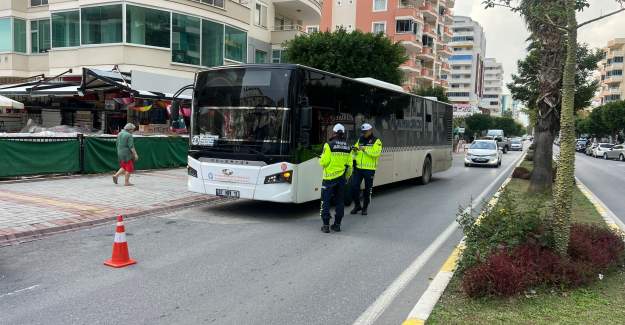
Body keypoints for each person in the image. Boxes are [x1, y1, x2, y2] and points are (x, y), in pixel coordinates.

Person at [319, 123, 352, 233]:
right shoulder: (348, 146)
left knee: (326, 201)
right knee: (340, 202)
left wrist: (320, 159)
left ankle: (326, 226)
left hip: (328, 179)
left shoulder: (328, 145)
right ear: (343, 133)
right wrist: (346, 177)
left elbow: (324, 162)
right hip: (341, 179)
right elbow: (350, 166)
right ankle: (337, 225)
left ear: (333, 132)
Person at [350, 123, 382, 216]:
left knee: (367, 190)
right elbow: (355, 152)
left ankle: (365, 208)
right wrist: (354, 151)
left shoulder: (376, 141)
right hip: (358, 168)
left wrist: (364, 149)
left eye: (365, 132)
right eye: (362, 132)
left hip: (369, 169)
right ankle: (357, 205)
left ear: (370, 131)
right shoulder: (360, 139)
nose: (363, 134)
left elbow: (376, 153)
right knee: (354, 187)